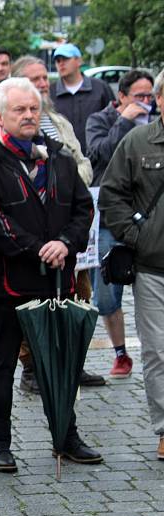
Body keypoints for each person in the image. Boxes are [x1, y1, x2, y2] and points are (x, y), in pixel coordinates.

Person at [0, 78, 101, 473]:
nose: (28, 116)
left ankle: (66, 434)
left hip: (56, 278)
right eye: (19, 110)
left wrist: (64, 243)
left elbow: (82, 208)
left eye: (33, 109)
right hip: (9, 280)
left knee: (59, 361)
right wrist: (37, 248)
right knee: (1, 362)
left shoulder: (56, 155)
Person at [11, 55, 102, 392]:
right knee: (34, 300)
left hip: (71, 229)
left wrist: (66, 183)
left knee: (79, 295)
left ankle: (72, 362)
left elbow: (81, 162)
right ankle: (32, 367)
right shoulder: (13, 127)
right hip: (36, 233)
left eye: (44, 78)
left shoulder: (58, 121)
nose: (43, 84)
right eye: (34, 79)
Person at [98, 69, 164, 460]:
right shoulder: (138, 141)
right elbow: (111, 195)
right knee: (158, 351)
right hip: (154, 269)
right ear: (159, 99)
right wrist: (138, 237)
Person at [86, 69, 155, 379]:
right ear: (122, 97)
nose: (146, 102)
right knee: (105, 295)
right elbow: (100, 155)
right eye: (139, 96)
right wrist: (125, 120)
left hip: (149, 222)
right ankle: (120, 352)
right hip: (110, 219)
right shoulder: (100, 120)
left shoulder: (157, 123)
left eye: (150, 96)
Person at [50, 43, 114, 152]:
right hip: (63, 158)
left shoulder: (100, 88)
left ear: (79, 61)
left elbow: (113, 120)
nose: (61, 64)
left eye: (65, 59)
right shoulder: (51, 92)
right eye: (58, 61)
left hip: (96, 157)